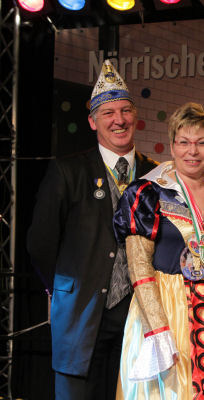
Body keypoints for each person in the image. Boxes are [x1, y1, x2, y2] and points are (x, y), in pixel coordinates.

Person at [26, 59, 157, 399]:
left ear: (135, 116)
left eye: (126, 110)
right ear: (92, 121)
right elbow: (40, 242)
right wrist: (65, 286)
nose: (119, 120)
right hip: (80, 316)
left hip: (138, 317)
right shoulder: (68, 171)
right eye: (109, 112)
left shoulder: (157, 175)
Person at [113, 102, 204, 399]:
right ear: (172, 145)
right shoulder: (148, 193)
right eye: (184, 142)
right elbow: (138, 264)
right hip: (171, 309)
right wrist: (157, 327)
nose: (192, 151)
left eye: (201, 143)